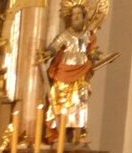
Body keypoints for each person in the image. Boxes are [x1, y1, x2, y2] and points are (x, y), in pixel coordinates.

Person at [39, 0, 106, 134]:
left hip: (81, 73)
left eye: (78, 14)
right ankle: (58, 132)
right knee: (60, 102)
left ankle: (76, 133)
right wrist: (45, 54)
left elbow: (91, 52)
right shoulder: (65, 35)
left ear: (84, 17)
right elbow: (53, 48)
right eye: (73, 14)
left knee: (79, 103)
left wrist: (102, 56)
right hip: (63, 73)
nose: (75, 17)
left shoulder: (88, 36)